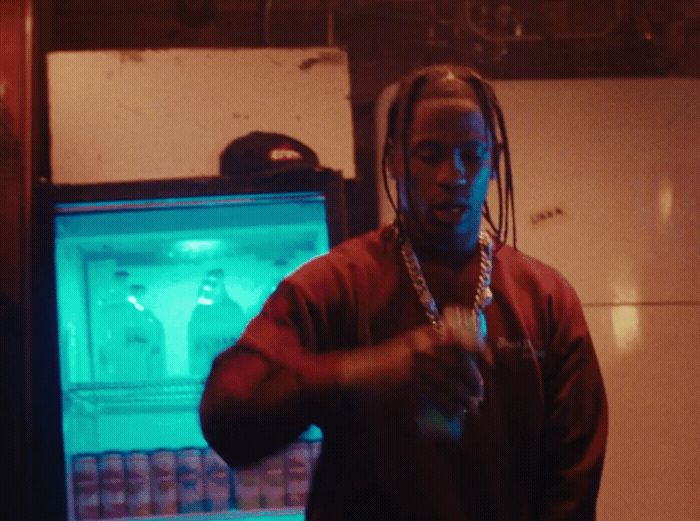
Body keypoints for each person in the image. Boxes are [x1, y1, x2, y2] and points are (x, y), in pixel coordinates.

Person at [200, 64, 608, 520]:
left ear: (493, 161)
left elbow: (573, 487)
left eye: (471, 155)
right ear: (394, 159)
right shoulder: (337, 284)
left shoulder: (545, 300)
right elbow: (226, 415)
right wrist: (367, 370)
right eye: (429, 154)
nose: (452, 175)